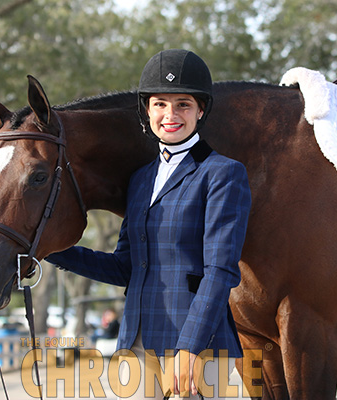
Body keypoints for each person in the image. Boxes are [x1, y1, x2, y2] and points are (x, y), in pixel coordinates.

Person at [46, 49, 251, 400]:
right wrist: (52, 251)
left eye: (182, 104)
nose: (170, 114)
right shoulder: (140, 180)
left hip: (198, 347)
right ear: (147, 110)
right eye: (160, 104)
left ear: (201, 110)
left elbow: (220, 271)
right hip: (138, 343)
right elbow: (127, 267)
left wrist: (190, 348)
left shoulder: (223, 174)